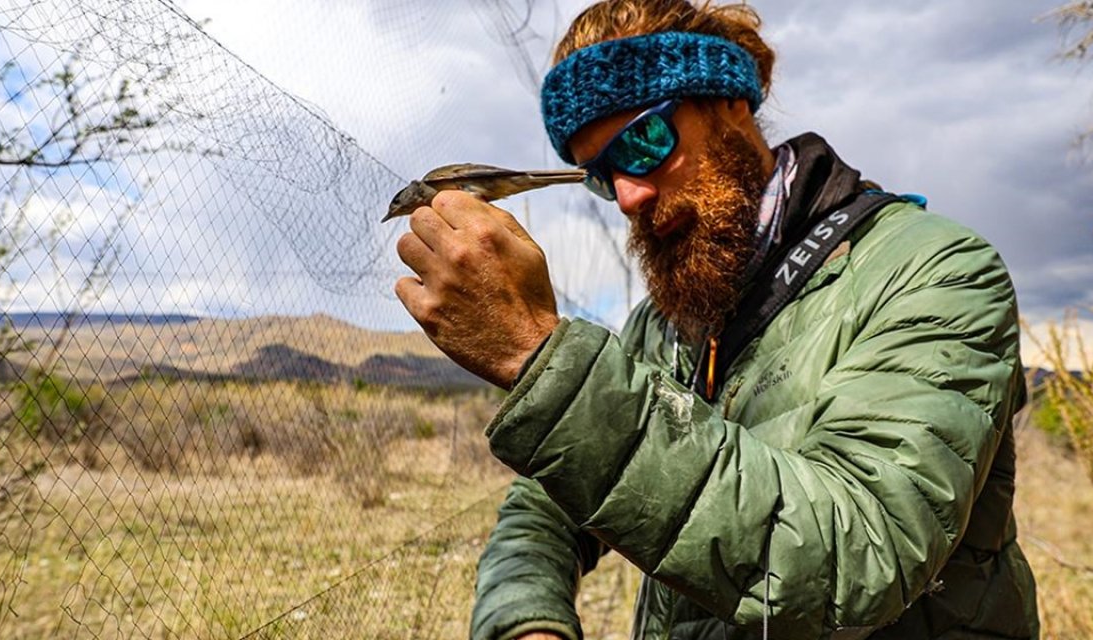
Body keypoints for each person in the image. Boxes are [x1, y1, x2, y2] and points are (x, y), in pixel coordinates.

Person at [392, 1, 1039, 638]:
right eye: (602, 176)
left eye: (645, 141)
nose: (628, 196)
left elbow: (860, 556)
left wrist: (539, 355)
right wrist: (527, 622)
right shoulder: (667, 323)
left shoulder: (933, 270)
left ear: (731, 104)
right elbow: (544, 510)